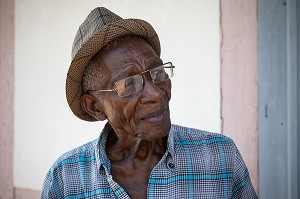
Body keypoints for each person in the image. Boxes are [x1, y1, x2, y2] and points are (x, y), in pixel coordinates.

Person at [41, 7, 258, 199]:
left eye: (157, 72)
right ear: (95, 106)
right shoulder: (64, 181)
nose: (155, 93)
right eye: (129, 84)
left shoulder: (220, 156)